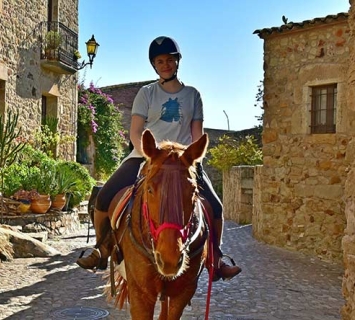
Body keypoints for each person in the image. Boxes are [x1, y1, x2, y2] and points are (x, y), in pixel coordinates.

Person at [76, 36, 242, 281]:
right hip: (147, 156)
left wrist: (194, 158)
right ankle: (102, 249)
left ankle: (215, 258)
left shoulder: (193, 95)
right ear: (154, 65)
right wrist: (150, 156)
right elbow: (135, 131)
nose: (166, 65)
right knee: (103, 197)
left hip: (182, 162)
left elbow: (197, 132)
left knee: (216, 206)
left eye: (170, 60)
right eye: (160, 61)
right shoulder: (146, 94)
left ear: (177, 62)